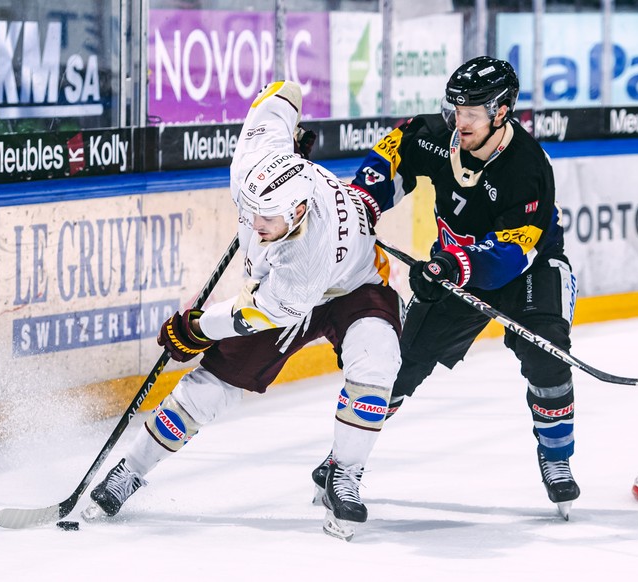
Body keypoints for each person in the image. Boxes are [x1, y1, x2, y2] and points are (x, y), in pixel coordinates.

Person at [83, 80, 403, 541]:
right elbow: (282, 92)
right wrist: (290, 127)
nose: (254, 226)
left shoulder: (307, 253)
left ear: (298, 210)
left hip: (352, 285)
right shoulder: (254, 162)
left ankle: (345, 474)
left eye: (266, 219)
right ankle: (130, 469)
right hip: (285, 287)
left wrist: (197, 328)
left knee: (377, 361)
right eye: (250, 212)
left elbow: (257, 312)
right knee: (210, 388)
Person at [311, 56, 581, 518]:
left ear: (502, 111)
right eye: (457, 109)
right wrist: (359, 209)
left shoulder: (529, 167)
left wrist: (452, 264)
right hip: (452, 270)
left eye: (473, 112)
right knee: (400, 363)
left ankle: (556, 459)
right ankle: (344, 462)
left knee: (547, 352)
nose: (462, 120)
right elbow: (389, 160)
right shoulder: (435, 135)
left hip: (527, 271)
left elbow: (511, 255)